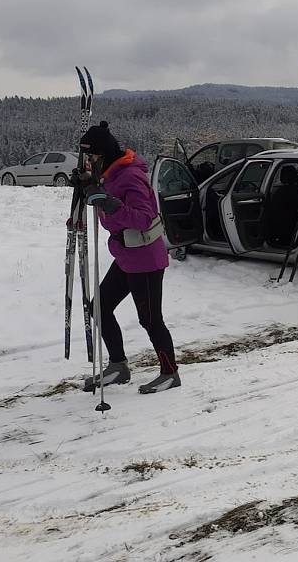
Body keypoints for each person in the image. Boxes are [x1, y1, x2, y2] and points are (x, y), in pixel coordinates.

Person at [77, 121, 180, 394]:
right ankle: (119, 366)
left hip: (145, 258)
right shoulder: (110, 175)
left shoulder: (129, 176)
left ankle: (170, 373)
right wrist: (89, 186)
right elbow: (104, 198)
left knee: (149, 319)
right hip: (126, 256)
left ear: (105, 154)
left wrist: (109, 204)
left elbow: (144, 219)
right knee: (98, 306)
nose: (90, 161)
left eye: (93, 156)